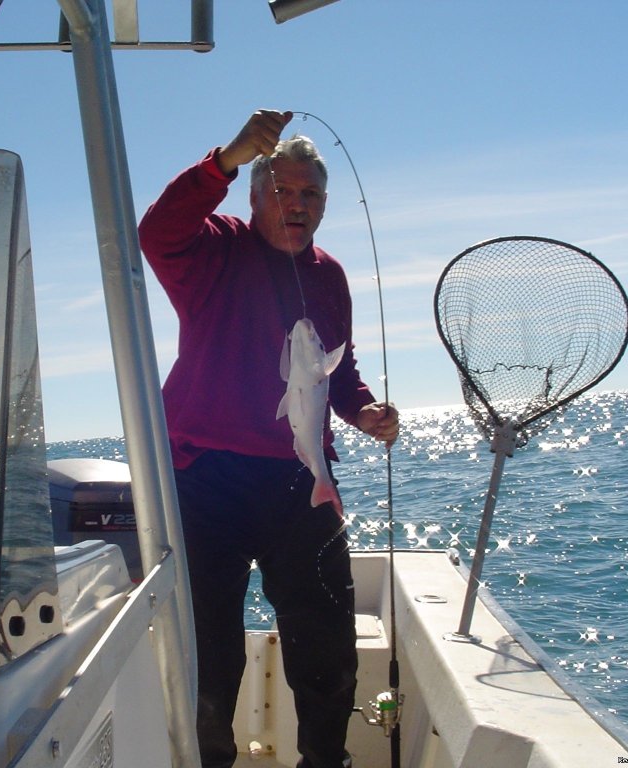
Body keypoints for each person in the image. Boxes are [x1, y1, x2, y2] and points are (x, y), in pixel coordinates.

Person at [138, 109, 398, 768]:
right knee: (209, 645)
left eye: (310, 194)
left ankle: (324, 759)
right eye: (281, 191)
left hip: (299, 481)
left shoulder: (329, 275)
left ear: (325, 205)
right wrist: (224, 158)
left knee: (325, 637)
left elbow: (339, 375)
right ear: (253, 200)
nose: (297, 205)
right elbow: (155, 230)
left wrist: (365, 412)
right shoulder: (212, 249)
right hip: (205, 480)